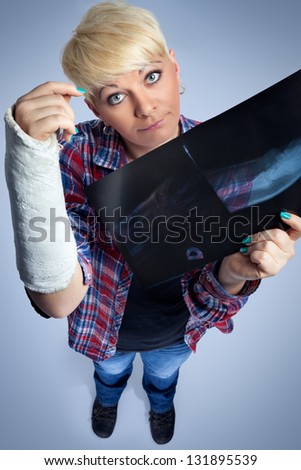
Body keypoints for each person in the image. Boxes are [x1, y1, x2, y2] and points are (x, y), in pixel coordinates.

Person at [4, 1, 301, 445]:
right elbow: (58, 299)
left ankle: (160, 404)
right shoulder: (71, 153)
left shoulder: (229, 160)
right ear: (95, 108)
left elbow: (214, 294)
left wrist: (237, 272)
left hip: (176, 328)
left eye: (152, 75)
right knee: (109, 374)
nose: (145, 108)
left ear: (175, 66)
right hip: (103, 328)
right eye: (116, 96)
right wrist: (28, 158)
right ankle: (107, 399)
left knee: (163, 377)